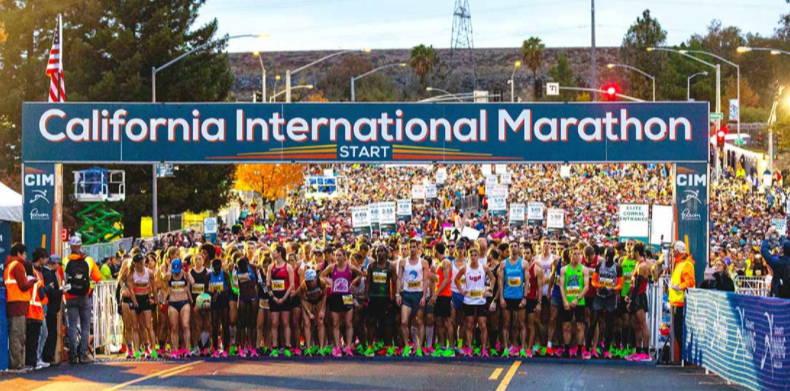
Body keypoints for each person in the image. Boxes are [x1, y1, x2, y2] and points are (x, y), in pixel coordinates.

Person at [63, 236, 103, 364]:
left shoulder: (65, 261)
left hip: (69, 297)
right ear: (80, 246)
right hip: (84, 296)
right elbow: (98, 277)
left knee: (72, 326)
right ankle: (83, 354)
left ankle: (73, 355)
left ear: (70, 246)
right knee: (85, 326)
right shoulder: (88, 260)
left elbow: (61, 276)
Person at [321, 248, 364, 356]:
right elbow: (322, 275)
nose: (338, 257)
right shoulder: (332, 267)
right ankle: (336, 347)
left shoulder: (349, 267)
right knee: (335, 323)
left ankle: (348, 346)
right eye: (336, 255)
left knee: (348, 322)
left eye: (340, 255)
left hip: (347, 296)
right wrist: (329, 281)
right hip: (335, 296)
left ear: (345, 256)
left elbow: (360, 273)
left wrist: (353, 281)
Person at [454, 247, 496, 356]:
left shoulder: (483, 267)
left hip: (481, 300)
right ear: (468, 257)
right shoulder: (465, 268)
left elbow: (493, 279)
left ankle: (483, 349)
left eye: (475, 255)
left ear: (478, 256)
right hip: (469, 300)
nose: (473, 257)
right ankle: (469, 348)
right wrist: (461, 291)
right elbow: (456, 279)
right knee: (469, 325)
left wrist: (489, 290)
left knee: (482, 325)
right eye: (471, 255)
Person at [4, 243, 36, 372]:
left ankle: (18, 363)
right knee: (18, 334)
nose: (25, 257)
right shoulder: (17, 265)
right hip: (17, 303)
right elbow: (23, 285)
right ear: (18, 254)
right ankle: (17, 363)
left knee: (17, 334)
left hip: (14, 303)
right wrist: (32, 281)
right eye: (24, 254)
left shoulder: (9, 265)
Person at [396, 239, 430, 355]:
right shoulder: (403, 262)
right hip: (407, 294)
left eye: (414, 247)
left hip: (418, 294)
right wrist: (397, 294)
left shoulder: (424, 262)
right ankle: (406, 346)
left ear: (418, 248)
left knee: (420, 321)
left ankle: (419, 347)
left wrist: (424, 296)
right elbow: (399, 278)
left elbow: (425, 280)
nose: (412, 249)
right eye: (410, 247)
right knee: (404, 321)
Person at [589, 247, 622, 358]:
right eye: (607, 255)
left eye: (611, 256)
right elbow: (593, 280)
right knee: (593, 322)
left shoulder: (617, 267)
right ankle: (589, 347)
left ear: (614, 256)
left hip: (610, 297)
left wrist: (612, 289)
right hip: (599, 296)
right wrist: (599, 286)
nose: (608, 258)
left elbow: (620, 284)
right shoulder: (600, 266)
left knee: (609, 324)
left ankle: (607, 349)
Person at [498, 241, 528, 357]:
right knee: (506, 323)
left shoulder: (524, 263)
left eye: (516, 246)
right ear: (509, 249)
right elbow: (500, 282)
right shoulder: (503, 264)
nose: (514, 248)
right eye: (511, 246)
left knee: (521, 323)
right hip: (507, 296)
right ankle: (506, 348)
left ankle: (522, 349)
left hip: (519, 297)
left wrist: (524, 297)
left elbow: (527, 282)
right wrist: (501, 298)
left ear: (519, 248)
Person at [559, 246, 589, 358]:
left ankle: (580, 350)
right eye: (574, 254)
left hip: (579, 302)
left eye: (578, 254)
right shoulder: (564, 269)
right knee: (566, 326)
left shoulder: (584, 269)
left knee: (579, 326)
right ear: (570, 255)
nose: (577, 256)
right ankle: (566, 350)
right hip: (567, 300)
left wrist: (577, 299)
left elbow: (586, 287)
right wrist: (565, 300)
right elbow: (561, 286)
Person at [365, 244, 396, 349]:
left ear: (386, 253)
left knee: (387, 322)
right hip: (374, 297)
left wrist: (394, 296)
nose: (380, 253)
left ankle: (388, 346)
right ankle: (370, 345)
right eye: (378, 251)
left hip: (386, 298)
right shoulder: (371, 266)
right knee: (371, 322)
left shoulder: (390, 266)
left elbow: (395, 282)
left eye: (382, 251)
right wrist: (366, 295)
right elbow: (368, 282)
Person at [669, 241, 695, 363]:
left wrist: (679, 286)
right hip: (677, 302)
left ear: (678, 251)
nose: (672, 252)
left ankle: (685, 357)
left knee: (681, 331)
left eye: (674, 250)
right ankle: (683, 356)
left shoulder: (686, 264)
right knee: (678, 330)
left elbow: (690, 281)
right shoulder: (679, 263)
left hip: (682, 303)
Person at [127, 254, 157, 359]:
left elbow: (153, 287)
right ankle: (136, 350)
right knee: (135, 327)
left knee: (148, 326)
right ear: (135, 263)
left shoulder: (149, 272)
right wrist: (135, 303)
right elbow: (130, 290)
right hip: (135, 299)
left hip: (145, 299)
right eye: (139, 262)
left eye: (143, 261)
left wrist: (155, 300)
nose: (142, 263)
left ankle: (152, 349)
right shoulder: (131, 273)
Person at [626, 242, 651, 362]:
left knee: (642, 324)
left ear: (636, 252)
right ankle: (638, 351)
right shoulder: (637, 264)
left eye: (632, 250)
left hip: (640, 297)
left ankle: (646, 352)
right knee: (635, 325)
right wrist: (628, 295)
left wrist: (631, 298)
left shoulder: (642, 266)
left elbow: (639, 285)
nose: (630, 252)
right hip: (635, 295)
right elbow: (633, 283)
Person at [165, 257, 195, 358]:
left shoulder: (185, 274)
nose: (176, 273)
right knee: (174, 327)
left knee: (186, 325)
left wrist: (187, 272)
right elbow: (164, 282)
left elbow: (193, 282)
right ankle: (175, 350)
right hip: (173, 303)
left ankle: (186, 349)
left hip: (184, 302)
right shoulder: (170, 276)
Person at [267, 245, 294, 354]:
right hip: (274, 297)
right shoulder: (270, 267)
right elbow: (268, 284)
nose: (272, 253)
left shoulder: (288, 267)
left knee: (285, 322)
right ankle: (275, 347)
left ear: (279, 253)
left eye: (274, 251)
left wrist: (284, 298)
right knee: (274, 323)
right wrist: (273, 297)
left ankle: (287, 346)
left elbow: (292, 285)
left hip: (285, 296)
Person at [26, 249, 50, 369]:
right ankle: (35, 359)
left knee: (39, 335)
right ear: (40, 258)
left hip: (35, 307)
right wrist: (47, 289)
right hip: (35, 308)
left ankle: (36, 358)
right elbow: (40, 293)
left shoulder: (35, 272)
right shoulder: (36, 273)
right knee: (38, 335)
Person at [430, 242, 454, 352]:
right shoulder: (438, 263)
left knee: (447, 321)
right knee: (439, 321)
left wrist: (436, 294)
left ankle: (451, 346)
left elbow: (446, 279)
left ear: (436, 251)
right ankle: (442, 345)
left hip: (445, 295)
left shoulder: (446, 262)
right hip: (439, 295)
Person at [42, 254, 63, 365]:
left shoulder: (45, 273)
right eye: (59, 265)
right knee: (51, 333)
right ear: (54, 264)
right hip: (50, 308)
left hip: (47, 307)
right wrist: (61, 291)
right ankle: (48, 357)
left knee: (48, 332)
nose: (59, 267)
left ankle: (46, 356)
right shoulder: (50, 275)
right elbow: (51, 292)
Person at [299, 268, 326, 352]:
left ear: (315, 278)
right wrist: (308, 312)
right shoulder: (303, 286)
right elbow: (302, 299)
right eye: (309, 281)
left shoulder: (321, 282)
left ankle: (321, 347)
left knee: (320, 322)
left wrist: (322, 310)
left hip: (319, 300)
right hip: (308, 301)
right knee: (307, 323)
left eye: (312, 281)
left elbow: (325, 295)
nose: (311, 283)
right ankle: (308, 348)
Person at [760, 227, 790, 298]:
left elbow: (764, 251)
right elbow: (787, 246)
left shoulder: (778, 262)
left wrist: (767, 236)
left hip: (779, 293)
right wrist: (779, 237)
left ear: (783, 250)